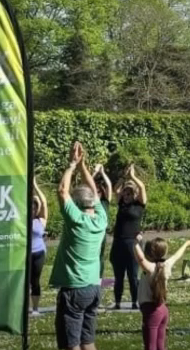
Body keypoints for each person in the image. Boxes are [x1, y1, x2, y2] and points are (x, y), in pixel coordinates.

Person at [52, 143, 111, 350]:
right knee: (88, 341)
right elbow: (93, 191)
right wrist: (82, 165)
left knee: (71, 344)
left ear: (76, 204)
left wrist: (72, 164)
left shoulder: (76, 220)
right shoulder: (101, 218)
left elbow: (62, 191)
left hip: (74, 289)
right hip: (93, 287)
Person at [133, 236, 190, 350]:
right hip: (163, 309)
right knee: (161, 345)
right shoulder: (166, 265)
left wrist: (134, 242)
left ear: (148, 254)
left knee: (150, 346)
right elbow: (176, 256)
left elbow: (140, 259)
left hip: (151, 312)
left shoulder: (150, 268)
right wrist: (187, 243)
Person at [110, 165, 149, 311]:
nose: (126, 196)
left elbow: (142, 188)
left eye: (129, 194)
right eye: (125, 193)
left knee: (133, 275)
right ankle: (117, 302)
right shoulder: (121, 203)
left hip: (133, 243)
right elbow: (116, 190)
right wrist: (123, 177)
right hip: (119, 242)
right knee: (118, 275)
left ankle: (135, 301)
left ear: (135, 194)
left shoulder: (139, 205)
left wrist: (133, 177)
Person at [31, 186, 49, 315]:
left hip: (39, 253)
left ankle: (35, 309)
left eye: (35, 208)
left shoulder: (41, 220)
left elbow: (44, 202)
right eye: (31, 207)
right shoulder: (23, 220)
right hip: (25, 254)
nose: (33, 210)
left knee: (35, 281)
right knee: (25, 282)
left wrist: (35, 185)